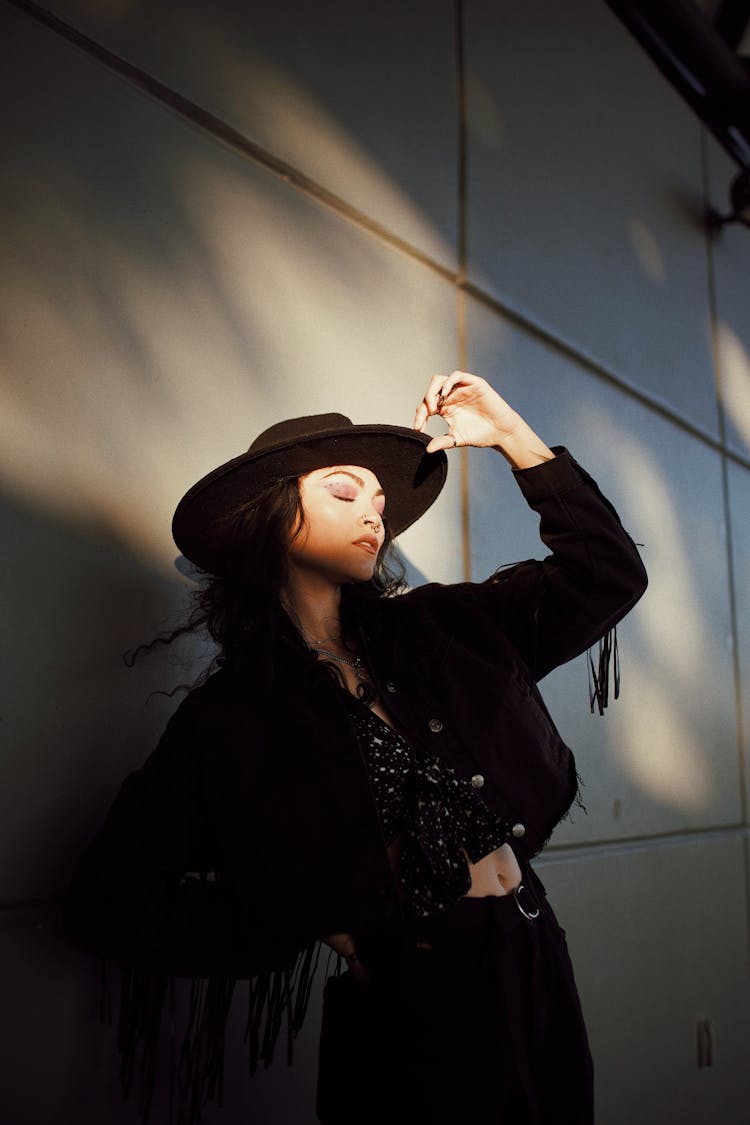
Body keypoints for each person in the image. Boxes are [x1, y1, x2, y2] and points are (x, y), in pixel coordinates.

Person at [64, 371, 647, 1125]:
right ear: (272, 518)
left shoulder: (444, 630)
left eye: (379, 502)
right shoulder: (234, 717)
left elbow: (607, 574)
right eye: (345, 493)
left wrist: (511, 434)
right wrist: (301, 914)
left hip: (534, 954)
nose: (373, 514)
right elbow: (108, 901)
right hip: (415, 1003)